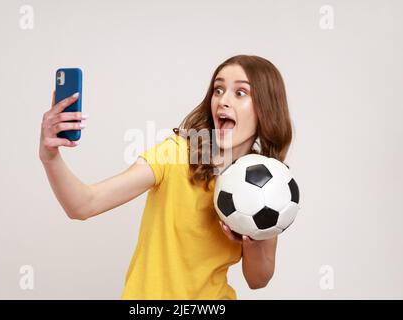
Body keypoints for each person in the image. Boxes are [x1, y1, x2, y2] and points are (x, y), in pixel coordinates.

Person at [39, 54, 293, 299]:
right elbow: (84, 204)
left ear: (265, 108)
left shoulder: (268, 183)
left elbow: (258, 280)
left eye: (240, 93)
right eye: (218, 90)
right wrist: (50, 157)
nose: (223, 101)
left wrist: (250, 241)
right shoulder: (176, 153)